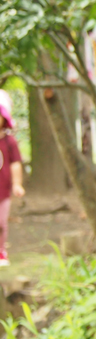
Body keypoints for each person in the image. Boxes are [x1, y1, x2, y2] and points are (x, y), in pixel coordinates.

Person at [0, 90, 26, 266]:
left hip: (3, 192)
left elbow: (15, 164)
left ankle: (1, 251)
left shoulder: (9, 142)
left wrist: (17, 184)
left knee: (1, 222)